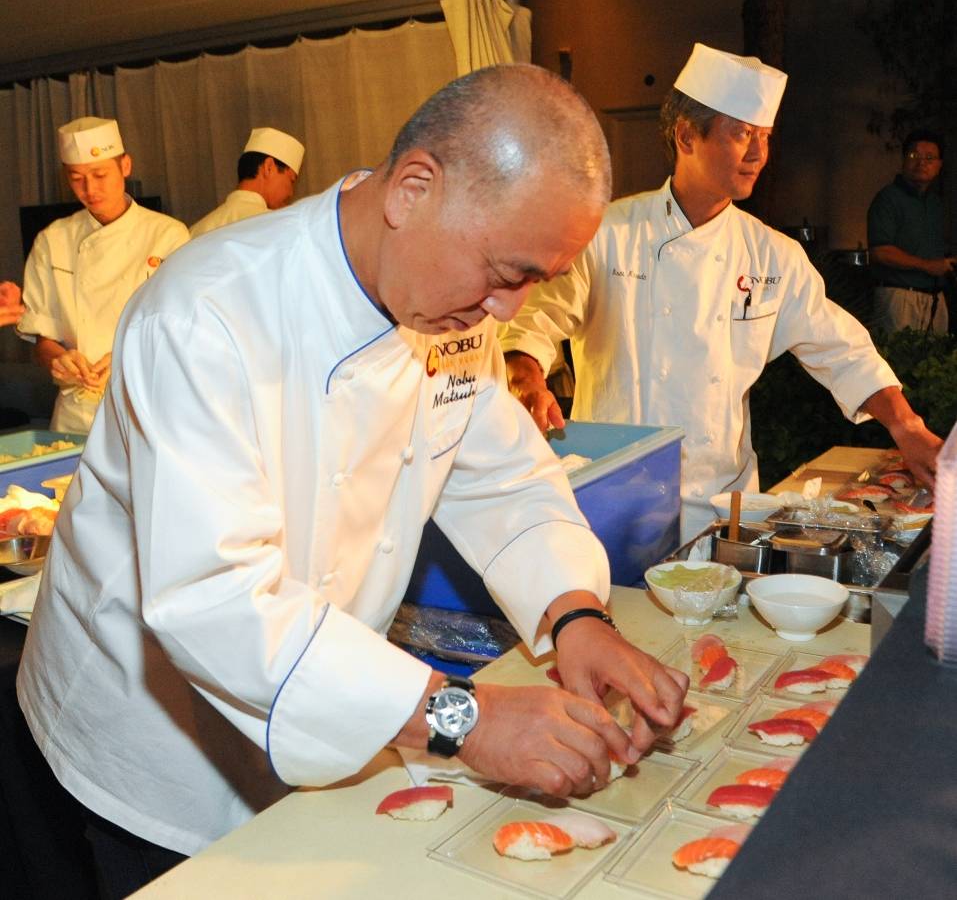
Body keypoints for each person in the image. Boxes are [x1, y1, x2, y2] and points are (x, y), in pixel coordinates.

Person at [17, 65, 688, 895]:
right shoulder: (206, 312)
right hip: (154, 730)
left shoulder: (447, 304)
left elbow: (502, 479)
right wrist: (462, 717)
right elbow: (218, 597)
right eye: (507, 271)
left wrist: (576, 615)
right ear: (413, 188)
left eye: (533, 282)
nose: (509, 312)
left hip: (330, 695)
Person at [501, 43, 944, 544]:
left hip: (722, 506)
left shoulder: (770, 254)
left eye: (766, 137)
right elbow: (532, 324)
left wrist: (907, 427)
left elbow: (842, 350)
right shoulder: (607, 233)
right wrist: (526, 376)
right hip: (613, 498)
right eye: (741, 134)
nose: (758, 153)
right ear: (686, 135)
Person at [16, 117, 190, 433]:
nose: (90, 189)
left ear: (125, 166)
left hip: (147, 407)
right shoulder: (53, 240)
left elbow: (183, 330)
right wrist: (60, 359)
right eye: (77, 178)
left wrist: (128, 353)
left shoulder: (168, 235)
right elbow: (42, 341)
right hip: (76, 414)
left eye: (100, 174)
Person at [867, 129, 955, 334]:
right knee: (897, 362)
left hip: (935, 297)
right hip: (899, 296)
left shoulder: (936, 204)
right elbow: (880, 252)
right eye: (914, 155)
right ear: (904, 160)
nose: (922, 162)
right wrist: (927, 266)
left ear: (939, 165)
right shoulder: (888, 198)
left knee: (935, 364)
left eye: (930, 157)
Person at [188, 127, 305, 237]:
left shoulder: (195, 231)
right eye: (291, 180)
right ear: (269, 167)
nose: (291, 193)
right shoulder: (276, 225)